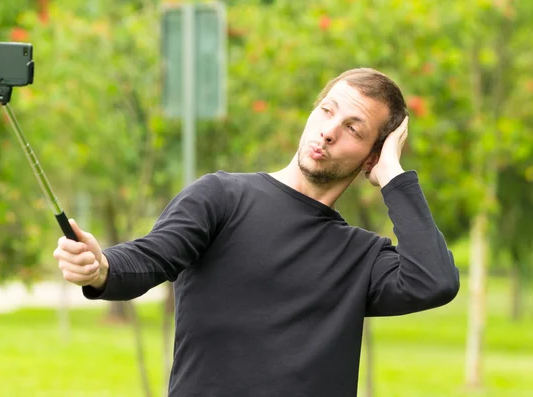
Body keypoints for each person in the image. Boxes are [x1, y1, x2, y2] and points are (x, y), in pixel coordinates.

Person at [53, 67, 460, 397]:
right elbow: (149, 258)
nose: (330, 130)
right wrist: (101, 267)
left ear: (372, 154)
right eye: (326, 110)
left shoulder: (361, 257)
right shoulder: (222, 197)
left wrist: (393, 175)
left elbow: (433, 281)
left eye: (354, 129)